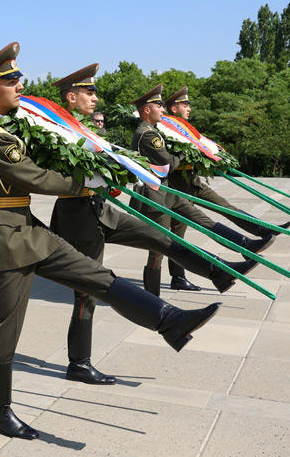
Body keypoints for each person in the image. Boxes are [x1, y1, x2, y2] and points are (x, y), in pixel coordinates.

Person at [0, 43, 221, 440]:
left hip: (27, 230)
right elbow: (38, 179)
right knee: (6, 330)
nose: (19, 84)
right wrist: (87, 179)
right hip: (2, 239)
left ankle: (168, 319)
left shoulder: (9, 128)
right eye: (11, 80)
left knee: (97, 276)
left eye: (17, 78)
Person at [48, 65, 257, 385]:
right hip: (78, 216)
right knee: (88, 292)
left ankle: (218, 271)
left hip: (101, 208)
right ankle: (79, 362)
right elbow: (60, 175)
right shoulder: (57, 129)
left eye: (94, 92)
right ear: (71, 96)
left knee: (156, 237)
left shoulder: (85, 126)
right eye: (89, 92)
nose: (95, 97)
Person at [130, 85, 274, 295]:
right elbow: (168, 163)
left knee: (203, 220)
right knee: (159, 250)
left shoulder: (155, 131)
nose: (162, 109)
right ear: (146, 110)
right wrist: (188, 151)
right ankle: (151, 298)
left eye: (162, 105)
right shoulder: (145, 135)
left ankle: (245, 246)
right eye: (158, 106)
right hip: (155, 198)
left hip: (169, 192)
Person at [163, 87, 290, 290]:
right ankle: (178, 277)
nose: (189, 108)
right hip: (178, 185)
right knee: (177, 234)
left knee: (225, 206)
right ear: (173, 108)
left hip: (193, 181)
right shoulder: (166, 126)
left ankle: (261, 230)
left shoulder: (184, 127)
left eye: (188, 104)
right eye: (184, 104)